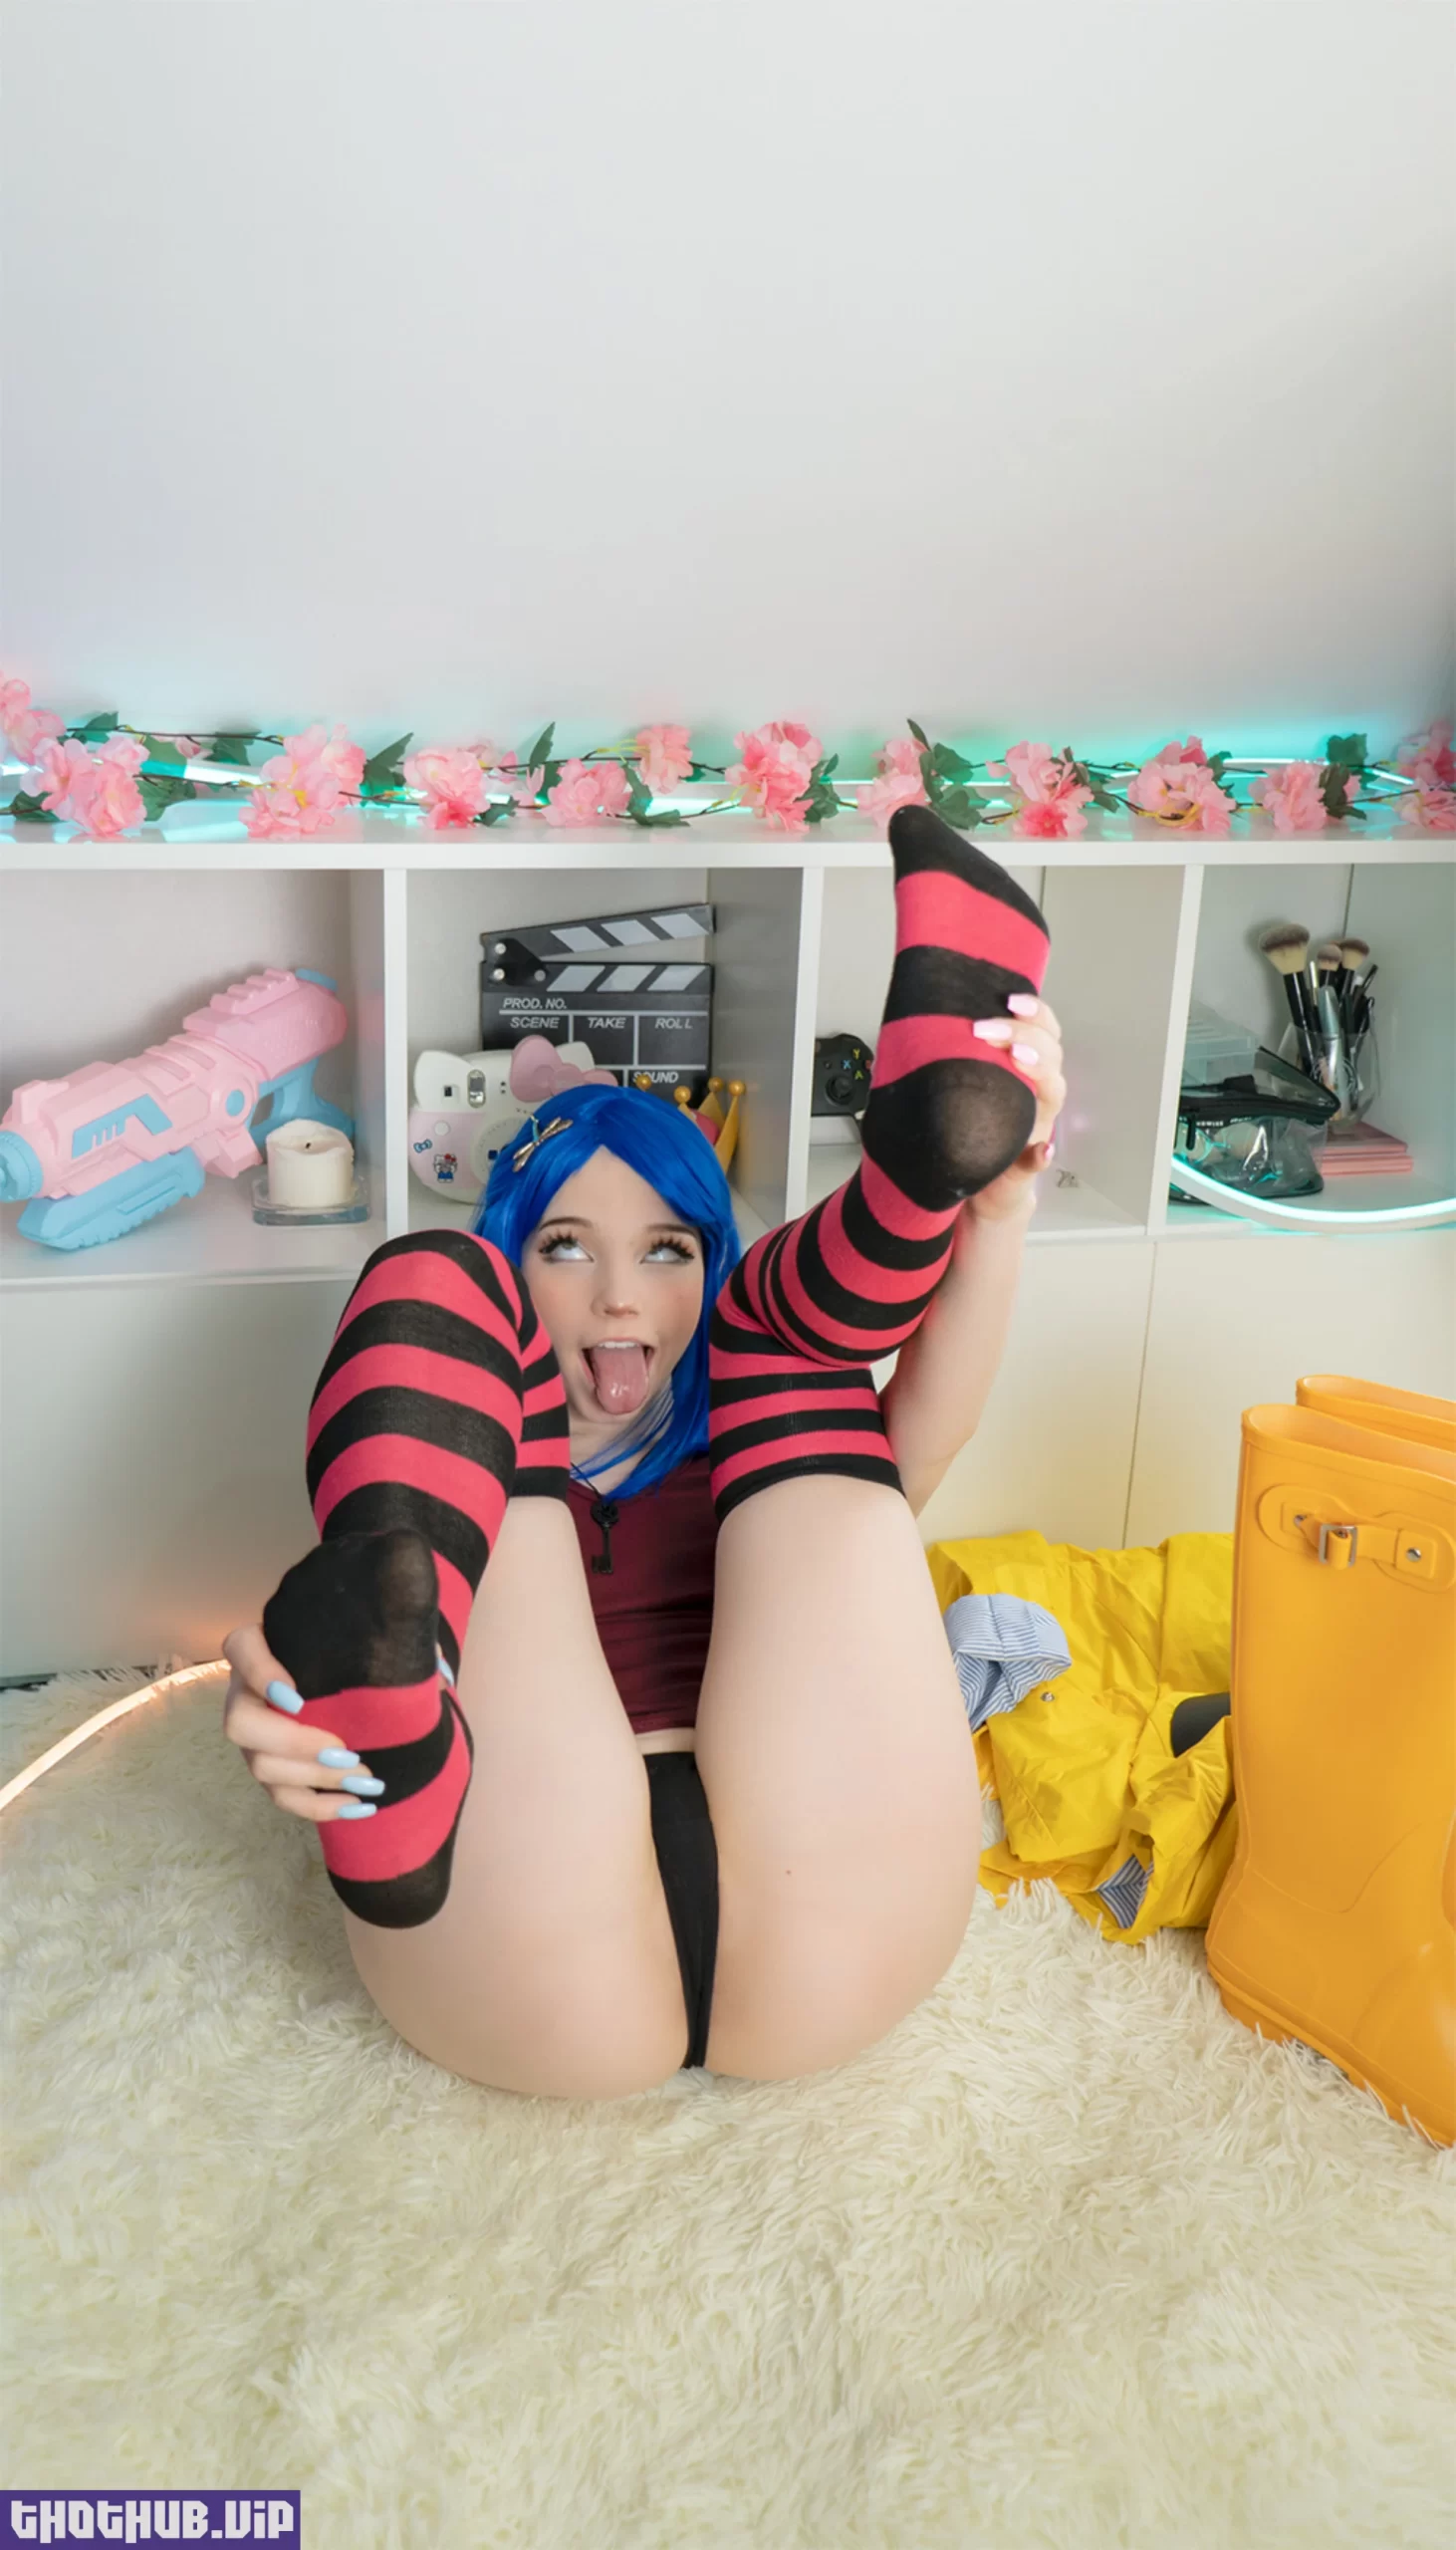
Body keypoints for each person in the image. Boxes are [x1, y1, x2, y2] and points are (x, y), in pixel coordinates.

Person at [221, 805, 1065, 2098]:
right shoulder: (470, 1445)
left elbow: (924, 1439)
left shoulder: (769, 1433)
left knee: (770, 1337)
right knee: (433, 1278)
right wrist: (300, 1714)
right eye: (563, 1248)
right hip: (519, 1910)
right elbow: (331, 1612)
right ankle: (407, 1722)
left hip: (828, 1896)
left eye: (669, 1249)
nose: (621, 1295)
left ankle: (930, 1158)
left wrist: (993, 1209)